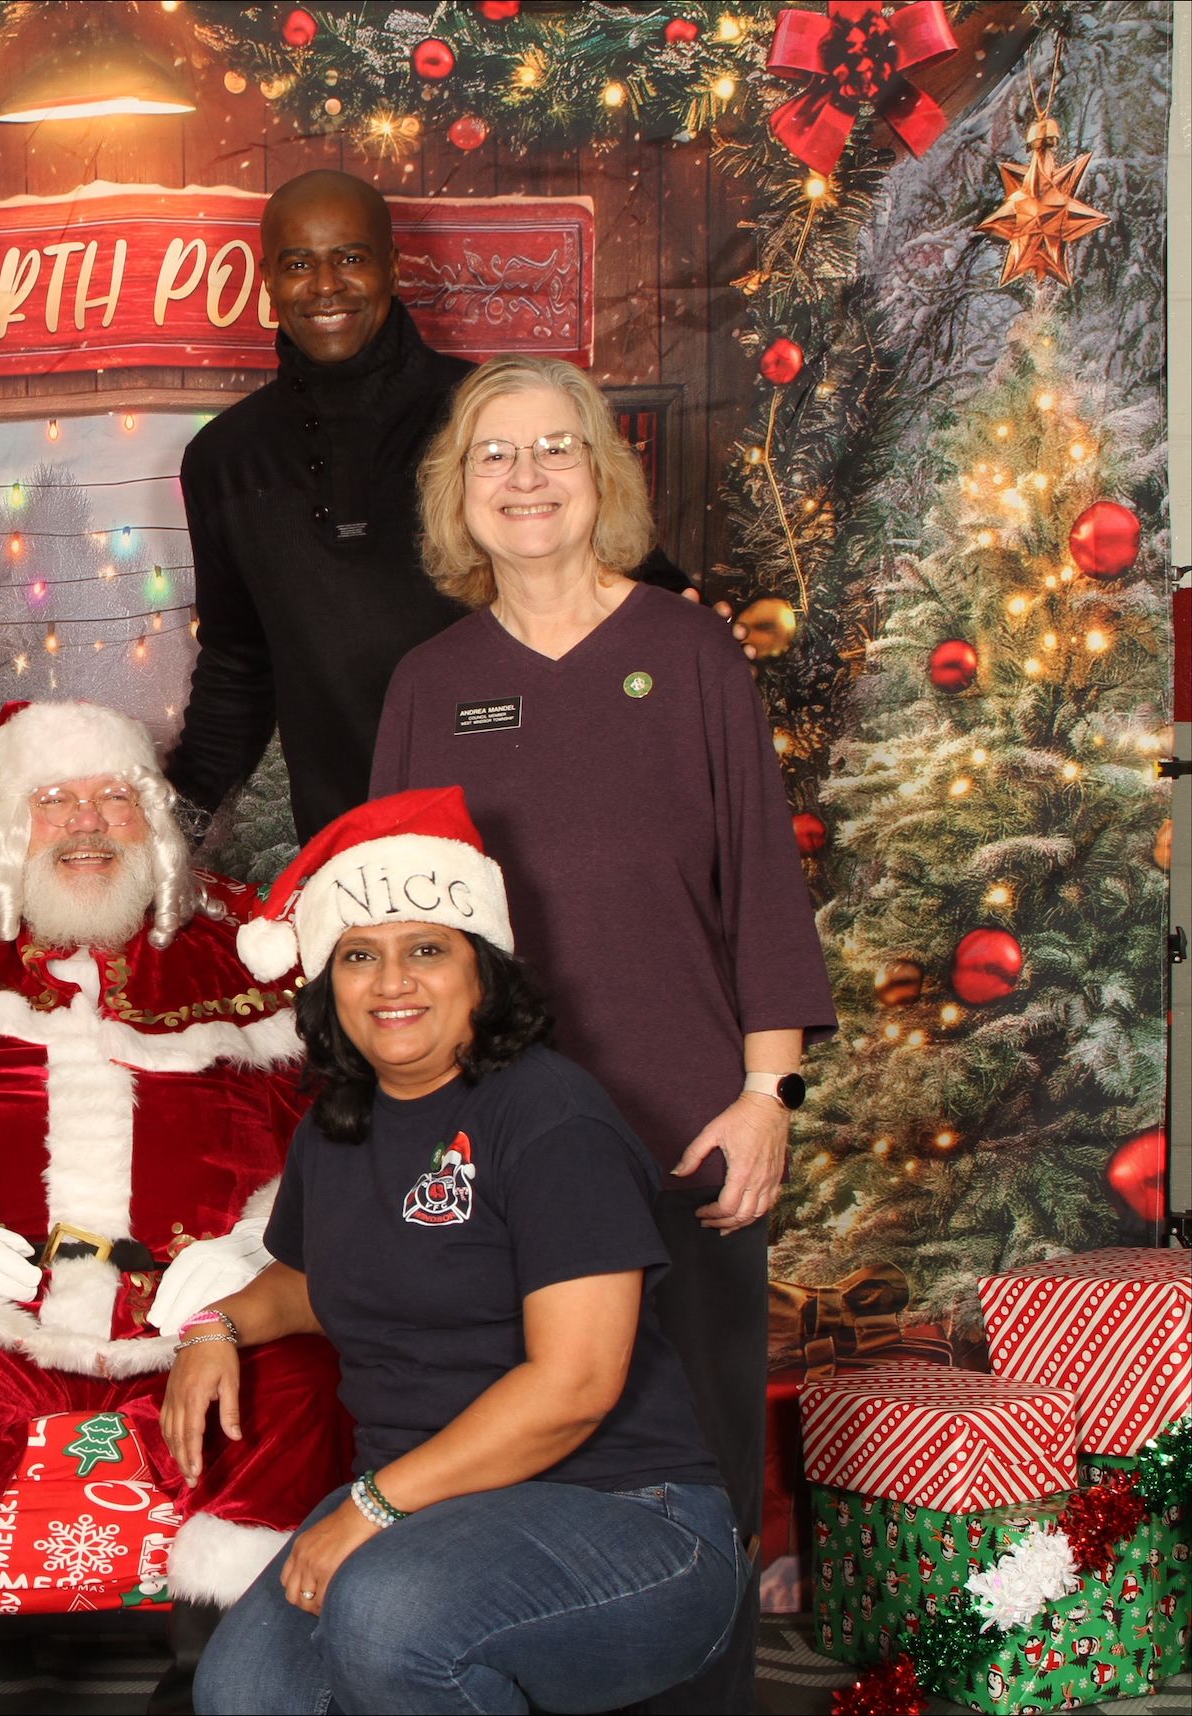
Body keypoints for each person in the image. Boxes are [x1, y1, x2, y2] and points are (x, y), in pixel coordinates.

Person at [367, 355, 837, 1711]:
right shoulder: (430, 683)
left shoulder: (688, 653)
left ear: (602, 474)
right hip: (496, 1158)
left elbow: (762, 881)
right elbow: (396, 939)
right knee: (513, 1468)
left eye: (554, 449)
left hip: (689, 1139)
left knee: (687, 1484)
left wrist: (768, 1098)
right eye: (494, 456)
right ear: (459, 492)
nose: (525, 479)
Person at [0, 701, 347, 1704]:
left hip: (194, 1327)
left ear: (151, 820)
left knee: (295, 1386)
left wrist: (258, 1248)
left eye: (113, 798)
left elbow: (333, 1130)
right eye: (53, 800)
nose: (87, 825)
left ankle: (223, 1676)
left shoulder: (244, 957)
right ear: (8, 820)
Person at [179, 785, 744, 1714]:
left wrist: (369, 1509)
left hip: (626, 1513)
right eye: (359, 956)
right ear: (328, 982)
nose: (391, 982)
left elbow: (575, 1387)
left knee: (388, 1619)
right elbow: (320, 1287)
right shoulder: (337, 1125)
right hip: (422, 1505)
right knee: (243, 1694)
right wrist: (214, 1325)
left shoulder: (550, 1116)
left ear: (482, 970)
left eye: (426, 950)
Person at [166, 170, 688, 844]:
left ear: (392, 265)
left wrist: (694, 624)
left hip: (530, 823)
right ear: (267, 278)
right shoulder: (225, 459)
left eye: (350, 258)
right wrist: (168, 827)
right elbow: (237, 665)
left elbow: (621, 574)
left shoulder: (483, 412)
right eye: (299, 264)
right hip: (354, 849)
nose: (325, 286)